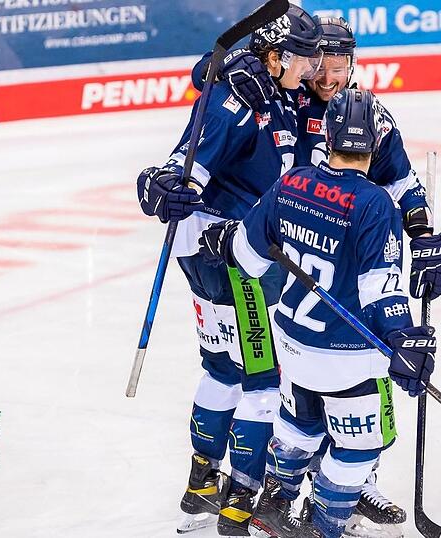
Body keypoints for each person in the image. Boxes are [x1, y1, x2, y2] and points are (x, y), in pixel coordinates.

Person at [193, 16, 441, 534]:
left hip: (328, 260)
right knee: (316, 390)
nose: (331, 77)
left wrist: (420, 230)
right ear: (306, 62)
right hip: (304, 270)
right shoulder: (287, 100)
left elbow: (399, 178)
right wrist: (240, 64)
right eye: (322, 66)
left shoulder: (364, 111)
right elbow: (211, 81)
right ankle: (305, 490)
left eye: (341, 65)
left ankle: (349, 486)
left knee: (326, 396)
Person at [134, 5, 322, 535]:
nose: (312, 70)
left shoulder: (264, 88)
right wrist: (167, 186)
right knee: (263, 379)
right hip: (234, 252)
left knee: (222, 368)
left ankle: (200, 486)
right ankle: (241, 501)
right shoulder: (241, 99)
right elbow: (190, 164)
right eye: (305, 59)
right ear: (276, 54)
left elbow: (206, 79)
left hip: (211, 250)